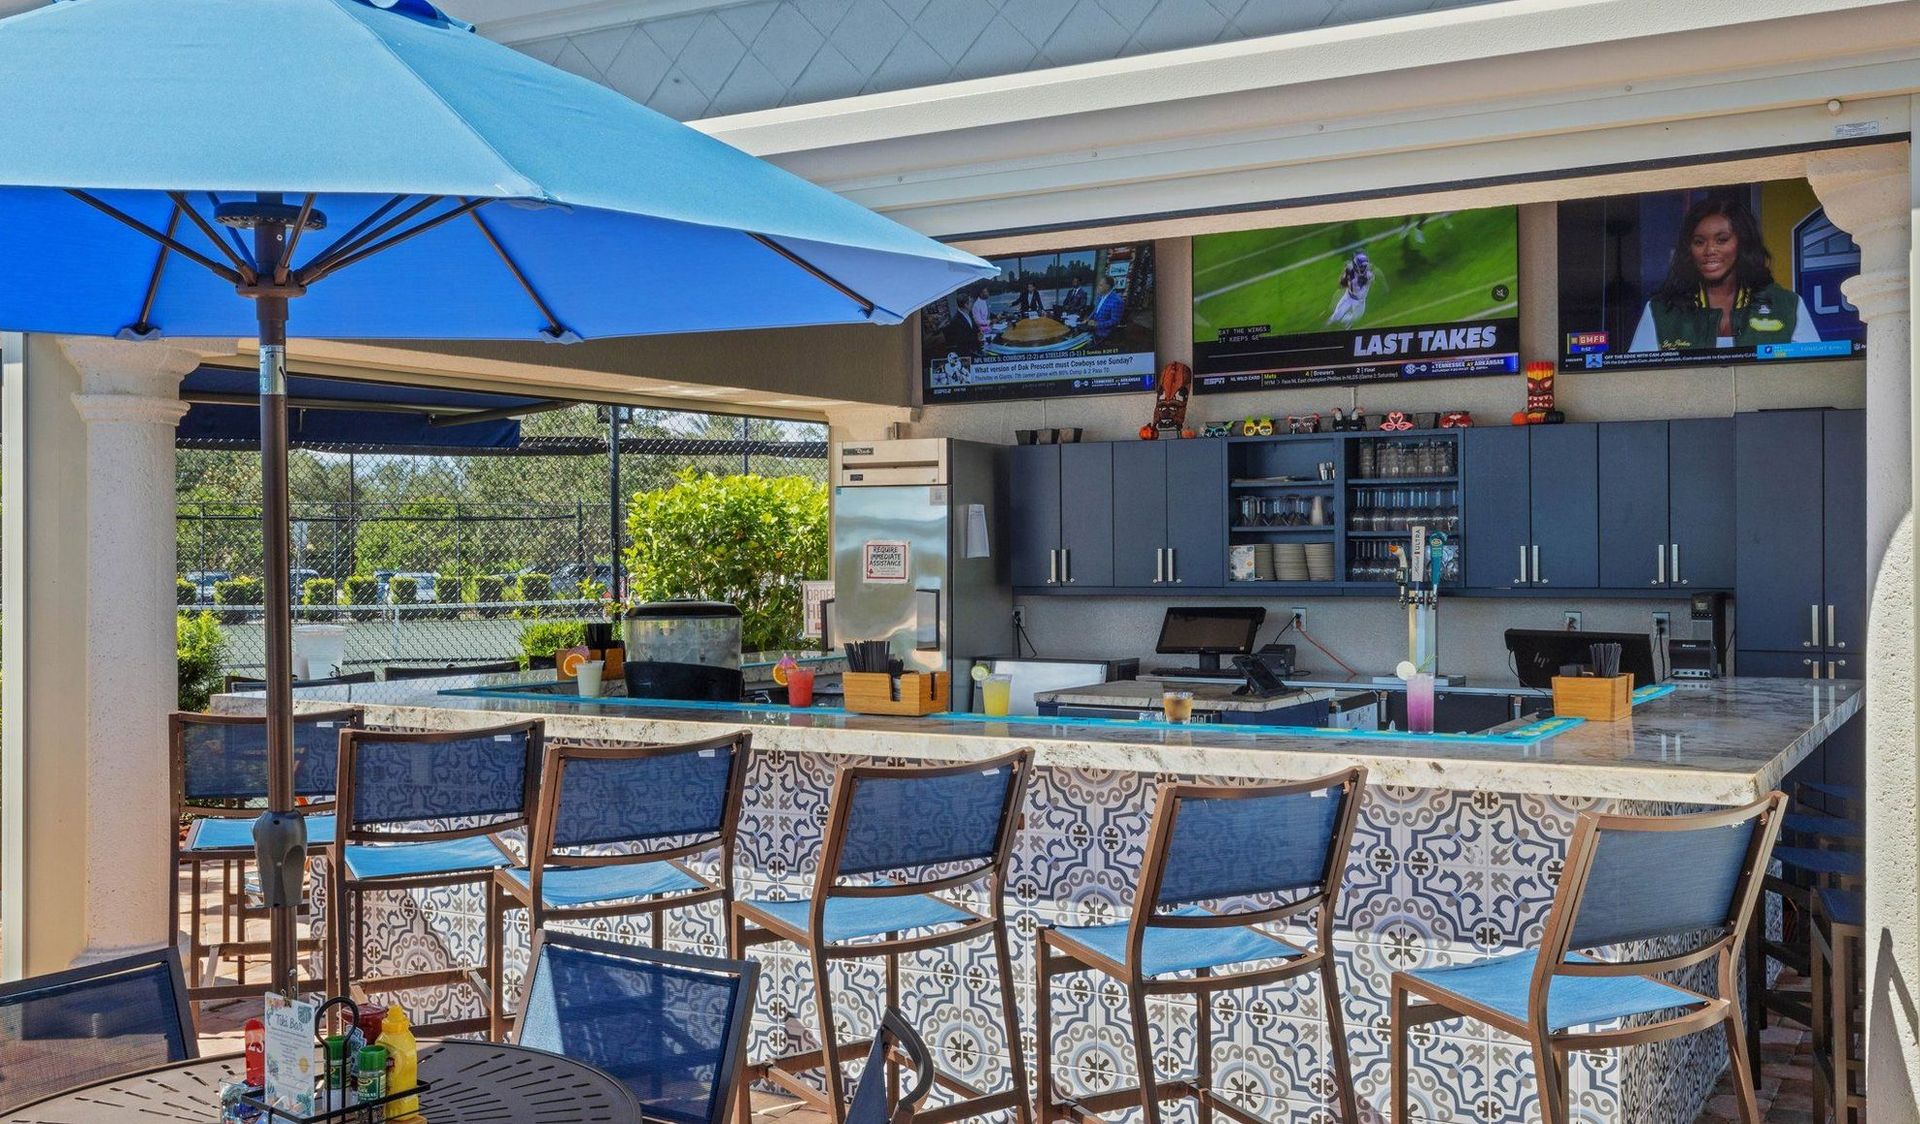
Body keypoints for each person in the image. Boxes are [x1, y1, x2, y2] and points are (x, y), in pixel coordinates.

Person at [1628, 196, 1820, 352]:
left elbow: (1814, 376)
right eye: (1699, 242)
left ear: (1742, 243)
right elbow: (1639, 384)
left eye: (1722, 240)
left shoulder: (1786, 305)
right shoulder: (1661, 311)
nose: (1709, 250)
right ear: (1689, 249)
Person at [1327, 251, 1378, 326]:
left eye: (1364, 266)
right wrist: (1345, 277)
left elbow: (1367, 281)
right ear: (1355, 265)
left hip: (1360, 301)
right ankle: (1327, 325)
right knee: (1336, 315)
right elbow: (1341, 283)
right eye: (1361, 266)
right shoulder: (1349, 270)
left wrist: (1363, 279)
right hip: (1348, 296)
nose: (1363, 268)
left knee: (1356, 318)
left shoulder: (1368, 276)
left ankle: (1346, 323)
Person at [1087, 276, 1125, 341]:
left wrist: (1097, 324)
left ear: (1108, 287)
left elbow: (1115, 321)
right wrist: (1088, 319)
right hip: (1093, 329)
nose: (1098, 287)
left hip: (1104, 334)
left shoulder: (1117, 301)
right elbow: (1096, 310)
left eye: (1100, 285)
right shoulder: (1100, 296)